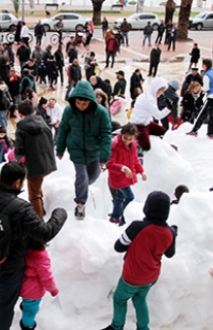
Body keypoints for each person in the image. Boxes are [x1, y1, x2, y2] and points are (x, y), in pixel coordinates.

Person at [0, 161, 67, 330]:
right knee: (6, 303)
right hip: (8, 265)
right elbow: (45, 233)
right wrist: (60, 213)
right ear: (17, 183)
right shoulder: (21, 208)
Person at [102, 191, 176, 330]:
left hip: (132, 276)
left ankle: (116, 326)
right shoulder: (169, 233)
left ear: (147, 208)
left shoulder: (137, 227)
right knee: (140, 299)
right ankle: (143, 328)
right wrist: (173, 233)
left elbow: (119, 247)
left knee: (120, 299)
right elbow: (170, 253)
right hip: (151, 277)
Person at [56, 81, 112, 220]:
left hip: (94, 150)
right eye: (78, 103)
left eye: (84, 104)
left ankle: (82, 187)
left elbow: (106, 134)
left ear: (91, 102)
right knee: (81, 176)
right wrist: (60, 148)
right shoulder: (69, 110)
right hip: (76, 149)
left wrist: (104, 157)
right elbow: (63, 129)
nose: (81, 106)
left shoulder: (101, 113)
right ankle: (80, 203)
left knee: (92, 176)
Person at [14, 100, 57, 216]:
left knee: (34, 196)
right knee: (37, 189)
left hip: (34, 165)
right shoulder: (43, 123)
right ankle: (41, 210)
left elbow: (19, 151)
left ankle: (39, 222)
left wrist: (16, 160)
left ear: (20, 114)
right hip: (48, 162)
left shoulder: (21, 129)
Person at [106, 124, 146, 226]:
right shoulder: (114, 145)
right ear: (121, 134)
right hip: (118, 177)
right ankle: (123, 217)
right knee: (130, 197)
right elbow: (110, 164)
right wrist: (123, 168)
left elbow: (135, 159)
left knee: (120, 197)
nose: (127, 140)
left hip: (125, 177)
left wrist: (141, 171)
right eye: (125, 138)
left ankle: (115, 217)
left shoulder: (133, 145)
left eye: (130, 138)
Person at [187, 59, 213, 139]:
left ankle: (194, 130)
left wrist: (201, 89)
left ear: (205, 65)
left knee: (203, 113)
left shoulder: (207, 75)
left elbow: (206, 88)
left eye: (202, 64)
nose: (202, 66)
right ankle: (211, 133)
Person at [128, 78, 169, 151]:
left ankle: (146, 134)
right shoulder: (148, 99)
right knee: (146, 146)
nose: (162, 93)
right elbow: (157, 115)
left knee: (162, 131)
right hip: (138, 125)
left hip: (147, 123)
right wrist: (169, 108)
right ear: (156, 88)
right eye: (161, 90)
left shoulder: (151, 96)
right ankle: (135, 139)